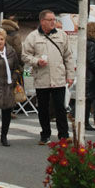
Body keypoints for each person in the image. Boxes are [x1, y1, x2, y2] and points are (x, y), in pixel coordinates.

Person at [22, 8, 75, 145]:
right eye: (50, 20)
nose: (53, 22)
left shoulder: (62, 35)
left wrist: (70, 75)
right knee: (43, 108)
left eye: (54, 19)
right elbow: (25, 55)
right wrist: (36, 61)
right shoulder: (33, 36)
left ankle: (64, 135)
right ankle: (45, 134)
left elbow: (68, 56)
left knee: (60, 107)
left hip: (58, 77)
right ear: (42, 21)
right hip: (42, 78)